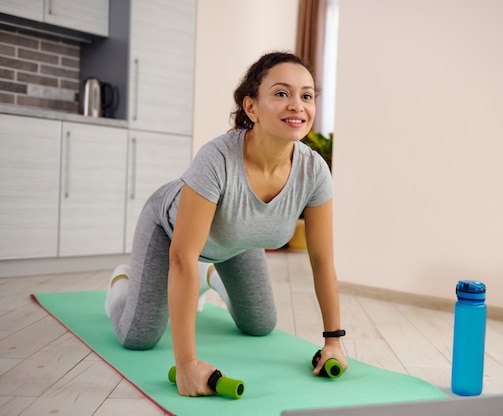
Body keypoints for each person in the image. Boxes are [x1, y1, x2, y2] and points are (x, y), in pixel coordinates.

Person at [104, 52, 348, 397]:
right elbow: (183, 256)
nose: (297, 105)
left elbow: (322, 261)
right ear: (251, 108)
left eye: (306, 95)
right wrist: (187, 365)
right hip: (171, 234)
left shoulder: (314, 171)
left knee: (260, 325)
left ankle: (210, 275)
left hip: (236, 240)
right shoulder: (216, 158)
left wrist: (333, 341)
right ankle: (121, 281)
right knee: (138, 336)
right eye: (281, 94)